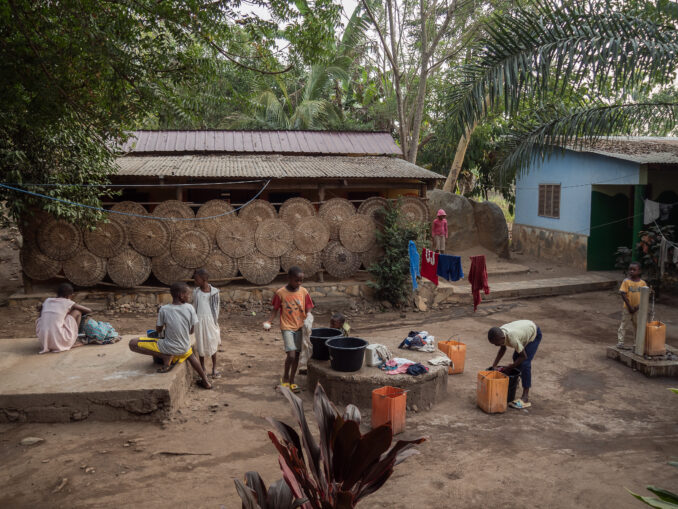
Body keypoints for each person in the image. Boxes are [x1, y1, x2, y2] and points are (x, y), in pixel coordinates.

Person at [128, 282, 212, 389]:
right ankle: (206, 381)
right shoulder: (190, 308)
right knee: (190, 355)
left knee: (132, 343)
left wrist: (162, 318)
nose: (189, 296)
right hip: (185, 347)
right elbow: (191, 331)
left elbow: (158, 331)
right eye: (188, 294)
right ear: (181, 295)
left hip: (169, 347)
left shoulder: (164, 309)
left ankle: (165, 356)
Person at [263, 266, 314, 393]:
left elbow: (309, 306)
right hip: (287, 327)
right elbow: (275, 309)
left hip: (300, 326)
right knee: (291, 355)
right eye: (296, 280)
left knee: (296, 355)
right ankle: (285, 376)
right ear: (289, 278)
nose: (299, 283)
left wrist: (308, 315)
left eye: (301, 280)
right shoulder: (281, 293)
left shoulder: (303, 292)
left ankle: (292, 380)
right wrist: (269, 321)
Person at [488, 320, 542, 409]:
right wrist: (494, 365)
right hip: (524, 331)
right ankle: (515, 382)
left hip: (534, 334)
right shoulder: (501, 333)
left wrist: (511, 366)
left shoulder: (512, 338)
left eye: (496, 343)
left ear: (501, 338)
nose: (495, 345)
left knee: (525, 363)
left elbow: (523, 356)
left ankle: (525, 397)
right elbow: (502, 349)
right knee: (516, 359)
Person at [36, 283, 92, 354]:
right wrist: (73, 306)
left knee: (47, 317)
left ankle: (50, 341)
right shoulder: (68, 302)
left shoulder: (47, 301)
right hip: (60, 339)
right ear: (70, 295)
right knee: (77, 312)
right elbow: (89, 310)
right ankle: (73, 340)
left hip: (43, 341)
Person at [192, 269, 221, 378]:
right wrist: (193, 322)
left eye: (197, 279)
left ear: (203, 279)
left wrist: (214, 322)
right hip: (199, 321)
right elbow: (194, 307)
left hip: (210, 321)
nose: (195, 281)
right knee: (201, 344)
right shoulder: (196, 292)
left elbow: (216, 308)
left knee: (212, 343)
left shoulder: (215, 292)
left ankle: (214, 368)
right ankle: (203, 368)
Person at [617, 261, 648, 350]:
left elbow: (644, 296)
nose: (631, 271)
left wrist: (637, 307)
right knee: (623, 325)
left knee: (637, 326)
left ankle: (636, 343)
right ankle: (620, 342)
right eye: (630, 269)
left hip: (637, 309)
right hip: (627, 308)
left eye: (634, 270)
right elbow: (623, 294)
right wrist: (630, 307)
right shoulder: (626, 281)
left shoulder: (642, 283)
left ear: (639, 271)